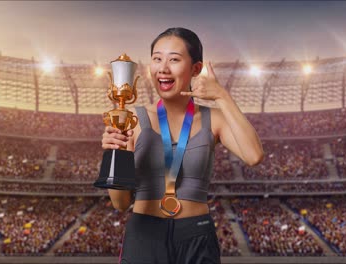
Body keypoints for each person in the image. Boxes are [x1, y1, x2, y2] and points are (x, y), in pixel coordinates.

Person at [102, 27, 264, 264]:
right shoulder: (130, 119)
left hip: (196, 235)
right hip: (144, 235)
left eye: (174, 60)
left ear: (196, 69)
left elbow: (254, 155)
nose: (163, 68)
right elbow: (121, 203)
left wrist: (221, 96)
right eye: (157, 59)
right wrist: (113, 155)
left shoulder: (214, 118)